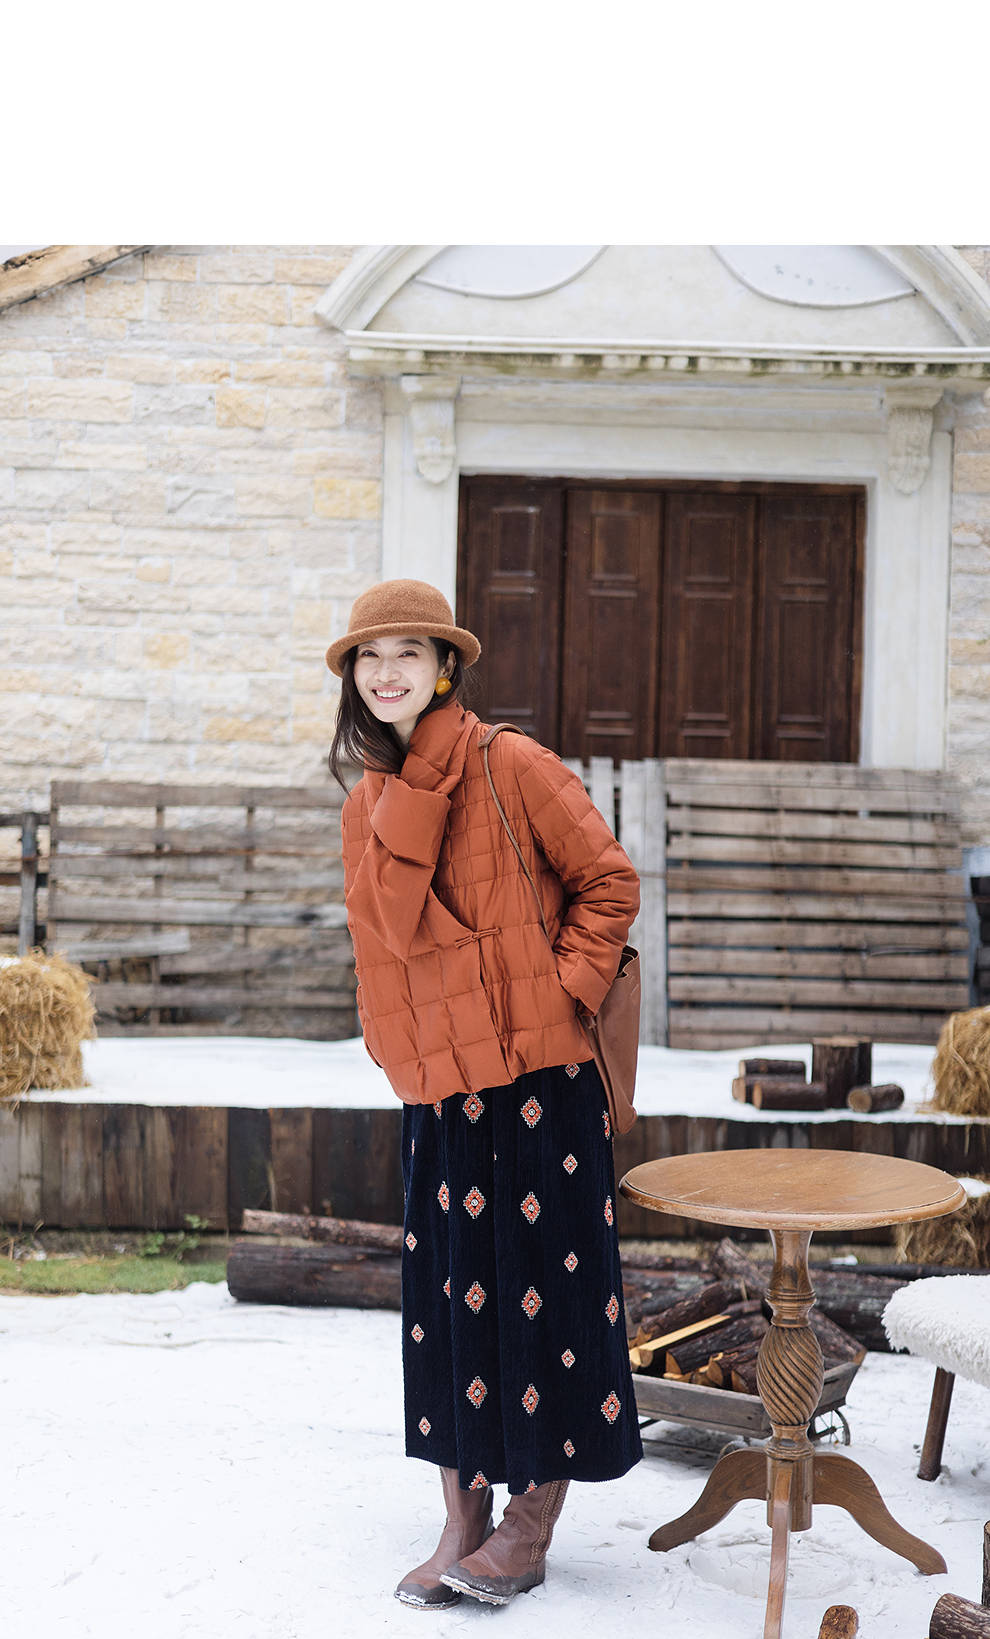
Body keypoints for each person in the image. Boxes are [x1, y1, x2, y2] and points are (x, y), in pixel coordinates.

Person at [327, 579, 643, 1609]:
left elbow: (609, 881)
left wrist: (562, 992)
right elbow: (379, 945)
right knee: (447, 1304)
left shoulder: (512, 764)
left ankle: (529, 1522)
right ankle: (462, 1517)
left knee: (545, 1293)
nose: (387, 673)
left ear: (444, 668)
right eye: (370, 658)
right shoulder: (368, 805)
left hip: (543, 1082)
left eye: (408, 654)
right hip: (439, 1092)